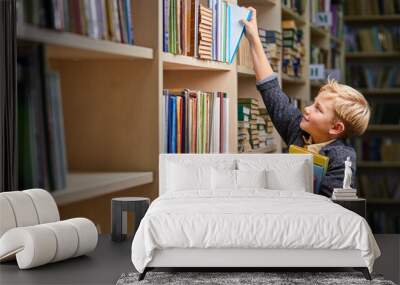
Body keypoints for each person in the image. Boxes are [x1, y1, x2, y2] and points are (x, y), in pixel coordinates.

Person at [242, 8, 371, 197]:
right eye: (313, 103)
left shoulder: (343, 158)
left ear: (336, 127)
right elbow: (271, 90)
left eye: (318, 109)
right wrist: (253, 37)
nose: (307, 109)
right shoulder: (301, 131)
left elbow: (334, 208)